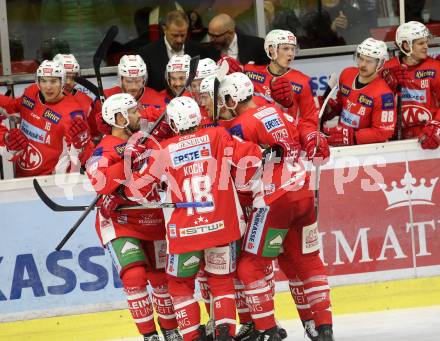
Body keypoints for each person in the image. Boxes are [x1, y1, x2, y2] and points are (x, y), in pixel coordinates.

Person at [127, 96, 263, 340]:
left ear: (173, 122)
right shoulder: (218, 135)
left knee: (180, 286)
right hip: (221, 226)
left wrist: (136, 160)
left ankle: (192, 337)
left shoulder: (163, 150)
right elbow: (251, 157)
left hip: (185, 233)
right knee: (221, 281)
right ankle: (224, 333)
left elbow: (139, 191)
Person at [218, 72, 335, 341]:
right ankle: (324, 328)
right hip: (303, 192)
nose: (223, 104)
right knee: (308, 261)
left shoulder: (240, 125)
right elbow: (299, 130)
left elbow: (245, 173)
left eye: (226, 99)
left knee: (250, 266)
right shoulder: (273, 110)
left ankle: (268, 329)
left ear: (233, 97)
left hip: (274, 200)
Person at [85, 93, 182, 341]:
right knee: (134, 276)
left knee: (162, 280)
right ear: (119, 118)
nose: (139, 115)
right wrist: (128, 157)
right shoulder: (104, 148)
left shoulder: (146, 141)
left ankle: (171, 331)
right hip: (121, 222)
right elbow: (100, 182)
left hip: (152, 217)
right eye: (133, 111)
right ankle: (149, 336)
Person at [226, 29, 330, 165]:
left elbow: (309, 120)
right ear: (271, 49)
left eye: (293, 49)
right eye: (285, 48)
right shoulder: (249, 72)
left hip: (286, 146)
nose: (291, 54)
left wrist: (311, 138)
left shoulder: (303, 82)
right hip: (253, 145)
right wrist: (225, 68)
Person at [0, 60, 93, 177]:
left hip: (52, 183)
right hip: (22, 177)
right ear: (38, 82)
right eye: (43, 81)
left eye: (53, 81)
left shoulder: (73, 114)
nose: (48, 87)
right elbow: (12, 108)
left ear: (62, 82)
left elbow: (84, 158)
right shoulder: (31, 93)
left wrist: (81, 146)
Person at [322, 37, 396, 146]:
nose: (363, 64)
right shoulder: (347, 74)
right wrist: (327, 107)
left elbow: (383, 132)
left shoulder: (384, 95)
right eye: (361, 59)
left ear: (380, 63)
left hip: (365, 150)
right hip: (340, 144)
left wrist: (352, 137)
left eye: (369, 61)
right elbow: (341, 105)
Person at [381, 21, 440, 149]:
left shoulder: (435, 68)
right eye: (420, 43)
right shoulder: (387, 69)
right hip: (395, 140)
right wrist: (387, 88)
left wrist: (437, 126)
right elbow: (375, 105)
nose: (426, 46)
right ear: (406, 45)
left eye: (426, 42)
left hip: (427, 136)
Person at [137, 10, 216, 91]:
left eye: (183, 35)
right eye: (175, 35)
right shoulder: (147, 53)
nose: (179, 40)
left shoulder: (199, 51)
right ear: (164, 29)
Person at [93, 54, 169, 138]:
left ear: (144, 79)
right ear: (121, 79)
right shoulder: (106, 97)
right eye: (128, 81)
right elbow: (95, 134)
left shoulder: (160, 99)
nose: (133, 87)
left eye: (138, 81)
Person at [53, 53, 100, 138]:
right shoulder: (41, 97)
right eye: (65, 77)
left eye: (72, 77)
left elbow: (94, 134)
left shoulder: (87, 102)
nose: (68, 82)